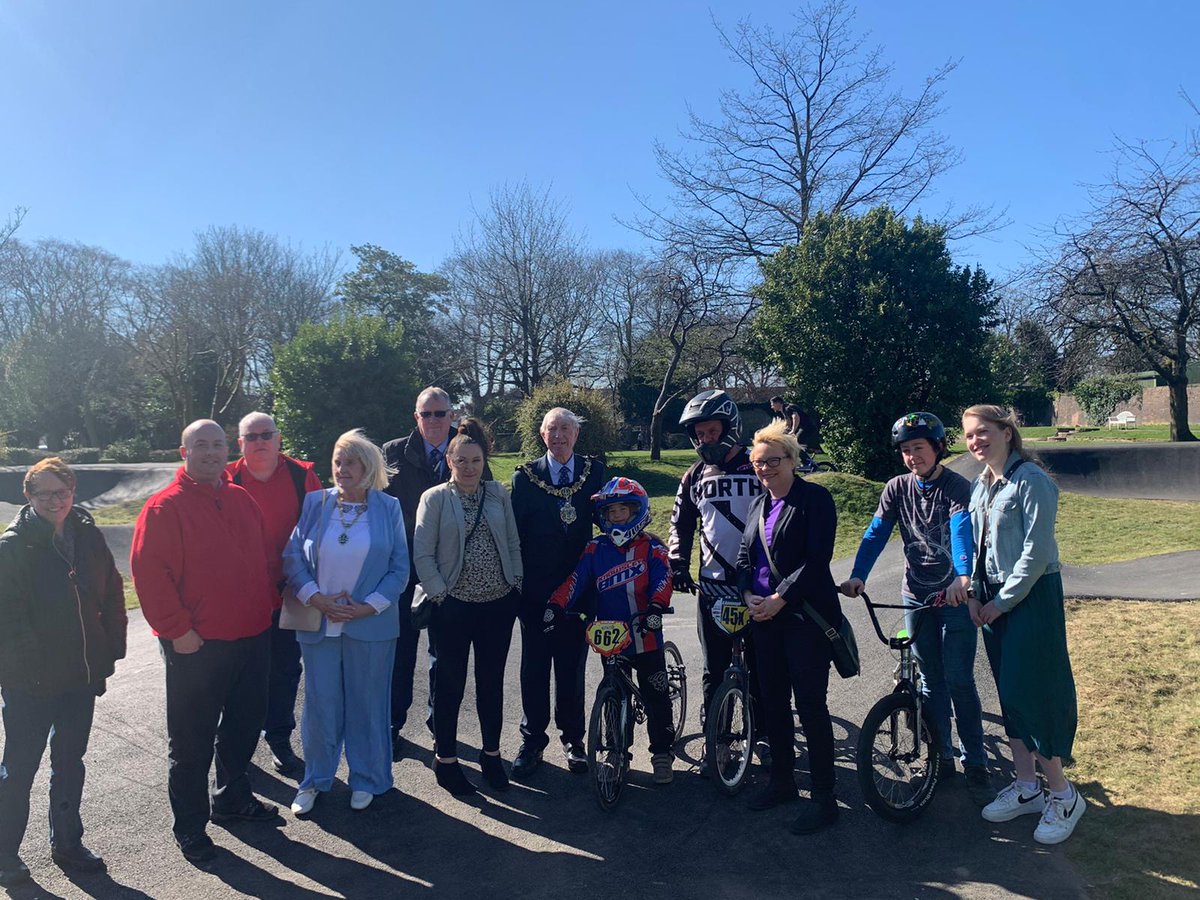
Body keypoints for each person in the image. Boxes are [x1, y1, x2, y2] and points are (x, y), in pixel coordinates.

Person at [131, 420, 278, 864]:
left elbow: (261, 560)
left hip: (251, 637)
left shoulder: (239, 498)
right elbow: (150, 575)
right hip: (196, 646)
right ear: (184, 451)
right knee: (191, 742)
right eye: (201, 445)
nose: (211, 452)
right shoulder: (163, 507)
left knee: (242, 728)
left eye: (217, 445)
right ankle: (190, 827)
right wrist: (177, 631)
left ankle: (231, 800)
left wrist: (266, 609)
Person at [841, 412, 992, 806]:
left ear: (938, 448)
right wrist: (859, 575)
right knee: (930, 682)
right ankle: (941, 757)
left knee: (960, 678)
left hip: (955, 597)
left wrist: (963, 577)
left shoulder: (958, 486)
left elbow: (961, 531)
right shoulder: (896, 488)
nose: (912, 457)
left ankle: (975, 759)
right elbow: (876, 532)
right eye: (906, 451)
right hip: (916, 594)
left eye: (919, 448)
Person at [0, 458, 127, 886]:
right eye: (45, 494)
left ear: (73, 491)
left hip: (79, 677)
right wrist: (31, 674)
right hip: (29, 685)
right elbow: (7, 624)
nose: (56, 501)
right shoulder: (12, 548)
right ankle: (4, 855)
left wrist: (108, 651)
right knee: (18, 769)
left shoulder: (86, 535)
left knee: (69, 762)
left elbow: (111, 592)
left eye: (63, 492)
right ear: (29, 496)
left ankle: (68, 844)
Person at [962, 405, 1083, 844]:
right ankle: (1028, 786)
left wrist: (1000, 602)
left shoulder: (1032, 480)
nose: (976, 441)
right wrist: (975, 593)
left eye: (984, 432)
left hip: (1029, 598)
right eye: (970, 436)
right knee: (1010, 694)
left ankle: (1063, 794)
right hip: (992, 597)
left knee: (1034, 693)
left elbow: (1035, 554)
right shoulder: (982, 486)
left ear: (1007, 432)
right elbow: (974, 546)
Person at [283, 429, 409, 815]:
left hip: (370, 625)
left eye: (351, 462)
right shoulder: (314, 503)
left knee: (367, 704)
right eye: (338, 461)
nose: (342, 469)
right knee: (320, 706)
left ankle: (368, 777)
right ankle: (315, 780)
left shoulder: (388, 507)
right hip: (318, 623)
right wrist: (316, 598)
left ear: (367, 467)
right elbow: (292, 557)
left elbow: (399, 569)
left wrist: (366, 607)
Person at [736, 420, 840, 834]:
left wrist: (780, 598)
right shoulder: (757, 505)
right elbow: (745, 560)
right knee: (773, 704)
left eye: (773, 461)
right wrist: (748, 597)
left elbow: (817, 562)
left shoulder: (815, 499)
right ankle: (782, 781)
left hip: (804, 621)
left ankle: (825, 798)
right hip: (763, 620)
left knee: (811, 707)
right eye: (758, 463)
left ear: (792, 461)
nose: (765, 469)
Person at [412, 420, 523, 795]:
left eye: (476, 460)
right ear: (449, 460)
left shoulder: (497, 494)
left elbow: (511, 542)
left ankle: (492, 757)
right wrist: (441, 594)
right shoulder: (435, 498)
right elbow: (423, 554)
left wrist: (515, 582)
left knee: (491, 684)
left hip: (497, 605)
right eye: (462, 460)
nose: (470, 467)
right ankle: (446, 761)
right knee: (450, 685)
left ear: (483, 460)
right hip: (453, 608)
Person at [383, 387, 493, 761]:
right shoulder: (393, 452)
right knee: (400, 653)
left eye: (440, 413)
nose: (433, 420)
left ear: (452, 415)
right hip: (403, 569)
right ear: (416, 416)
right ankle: (392, 724)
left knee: (442, 655)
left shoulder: (467, 449)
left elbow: (483, 501)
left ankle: (437, 726)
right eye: (426, 414)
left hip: (450, 572)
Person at [545, 477, 676, 784]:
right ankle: (618, 752)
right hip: (611, 637)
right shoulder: (595, 548)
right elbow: (576, 581)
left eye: (623, 510)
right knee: (614, 694)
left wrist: (656, 607)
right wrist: (557, 604)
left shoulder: (652, 547)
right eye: (610, 511)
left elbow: (663, 579)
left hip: (645, 633)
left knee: (655, 693)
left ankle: (661, 752)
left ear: (637, 511)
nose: (616, 516)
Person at [668, 390, 766, 770]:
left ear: (730, 427)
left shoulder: (757, 466)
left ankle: (767, 735)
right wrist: (677, 564)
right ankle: (717, 738)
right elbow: (680, 523)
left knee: (761, 669)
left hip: (758, 586)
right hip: (712, 587)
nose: (705, 439)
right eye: (700, 434)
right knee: (714, 669)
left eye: (711, 431)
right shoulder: (693, 476)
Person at [510, 406, 607, 779]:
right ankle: (532, 741)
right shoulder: (525, 478)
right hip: (535, 593)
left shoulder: (593, 472)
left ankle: (573, 740)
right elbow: (515, 536)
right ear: (542, 434)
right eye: (552, 429)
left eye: (565, 429)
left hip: (579, 592)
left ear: (576, 434)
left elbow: (608, 523)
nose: (559, 436)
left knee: (571, 668)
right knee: (534, 669)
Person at [226, 411, 323, 780]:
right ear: (241, 444)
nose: (260, 442)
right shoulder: (226, 477)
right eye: (252, 437)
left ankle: (279, 738)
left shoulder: (302, 476)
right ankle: (235, 741)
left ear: (279, 438)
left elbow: (319, 531)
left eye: (267, 434)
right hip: (240, 597)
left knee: (284, 670)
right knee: (238, 672)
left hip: (290, 593)